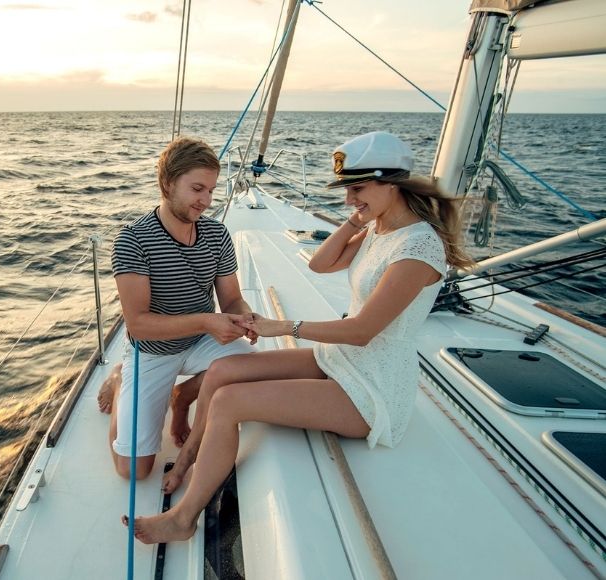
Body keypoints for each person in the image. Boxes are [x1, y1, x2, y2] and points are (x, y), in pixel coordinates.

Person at [126, 131, 475, 543]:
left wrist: (283, 327)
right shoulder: (383, 228)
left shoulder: (418, 248)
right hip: (343, 360)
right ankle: (185, 462)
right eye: (348, 191)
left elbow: (362, 332)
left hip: (373, 386)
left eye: (358, 189)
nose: (350, 199)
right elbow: (320, 264)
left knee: (229, 401)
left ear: (391, 183)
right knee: (222, 370)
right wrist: (358, 217)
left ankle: (182, 518)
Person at [107, 136, 257, 481]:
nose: (205, 201)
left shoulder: (217, 235)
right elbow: (139, 325)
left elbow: (231, 298)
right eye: (197, 189)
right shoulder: (133, 241)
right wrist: (208, 321)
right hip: (153, 350)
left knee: (253, 366)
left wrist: (243, 317)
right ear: (167, 183)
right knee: (134, 471)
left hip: (201, 341)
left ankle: (183, 397)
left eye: (211, 191)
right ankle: (118, 382)